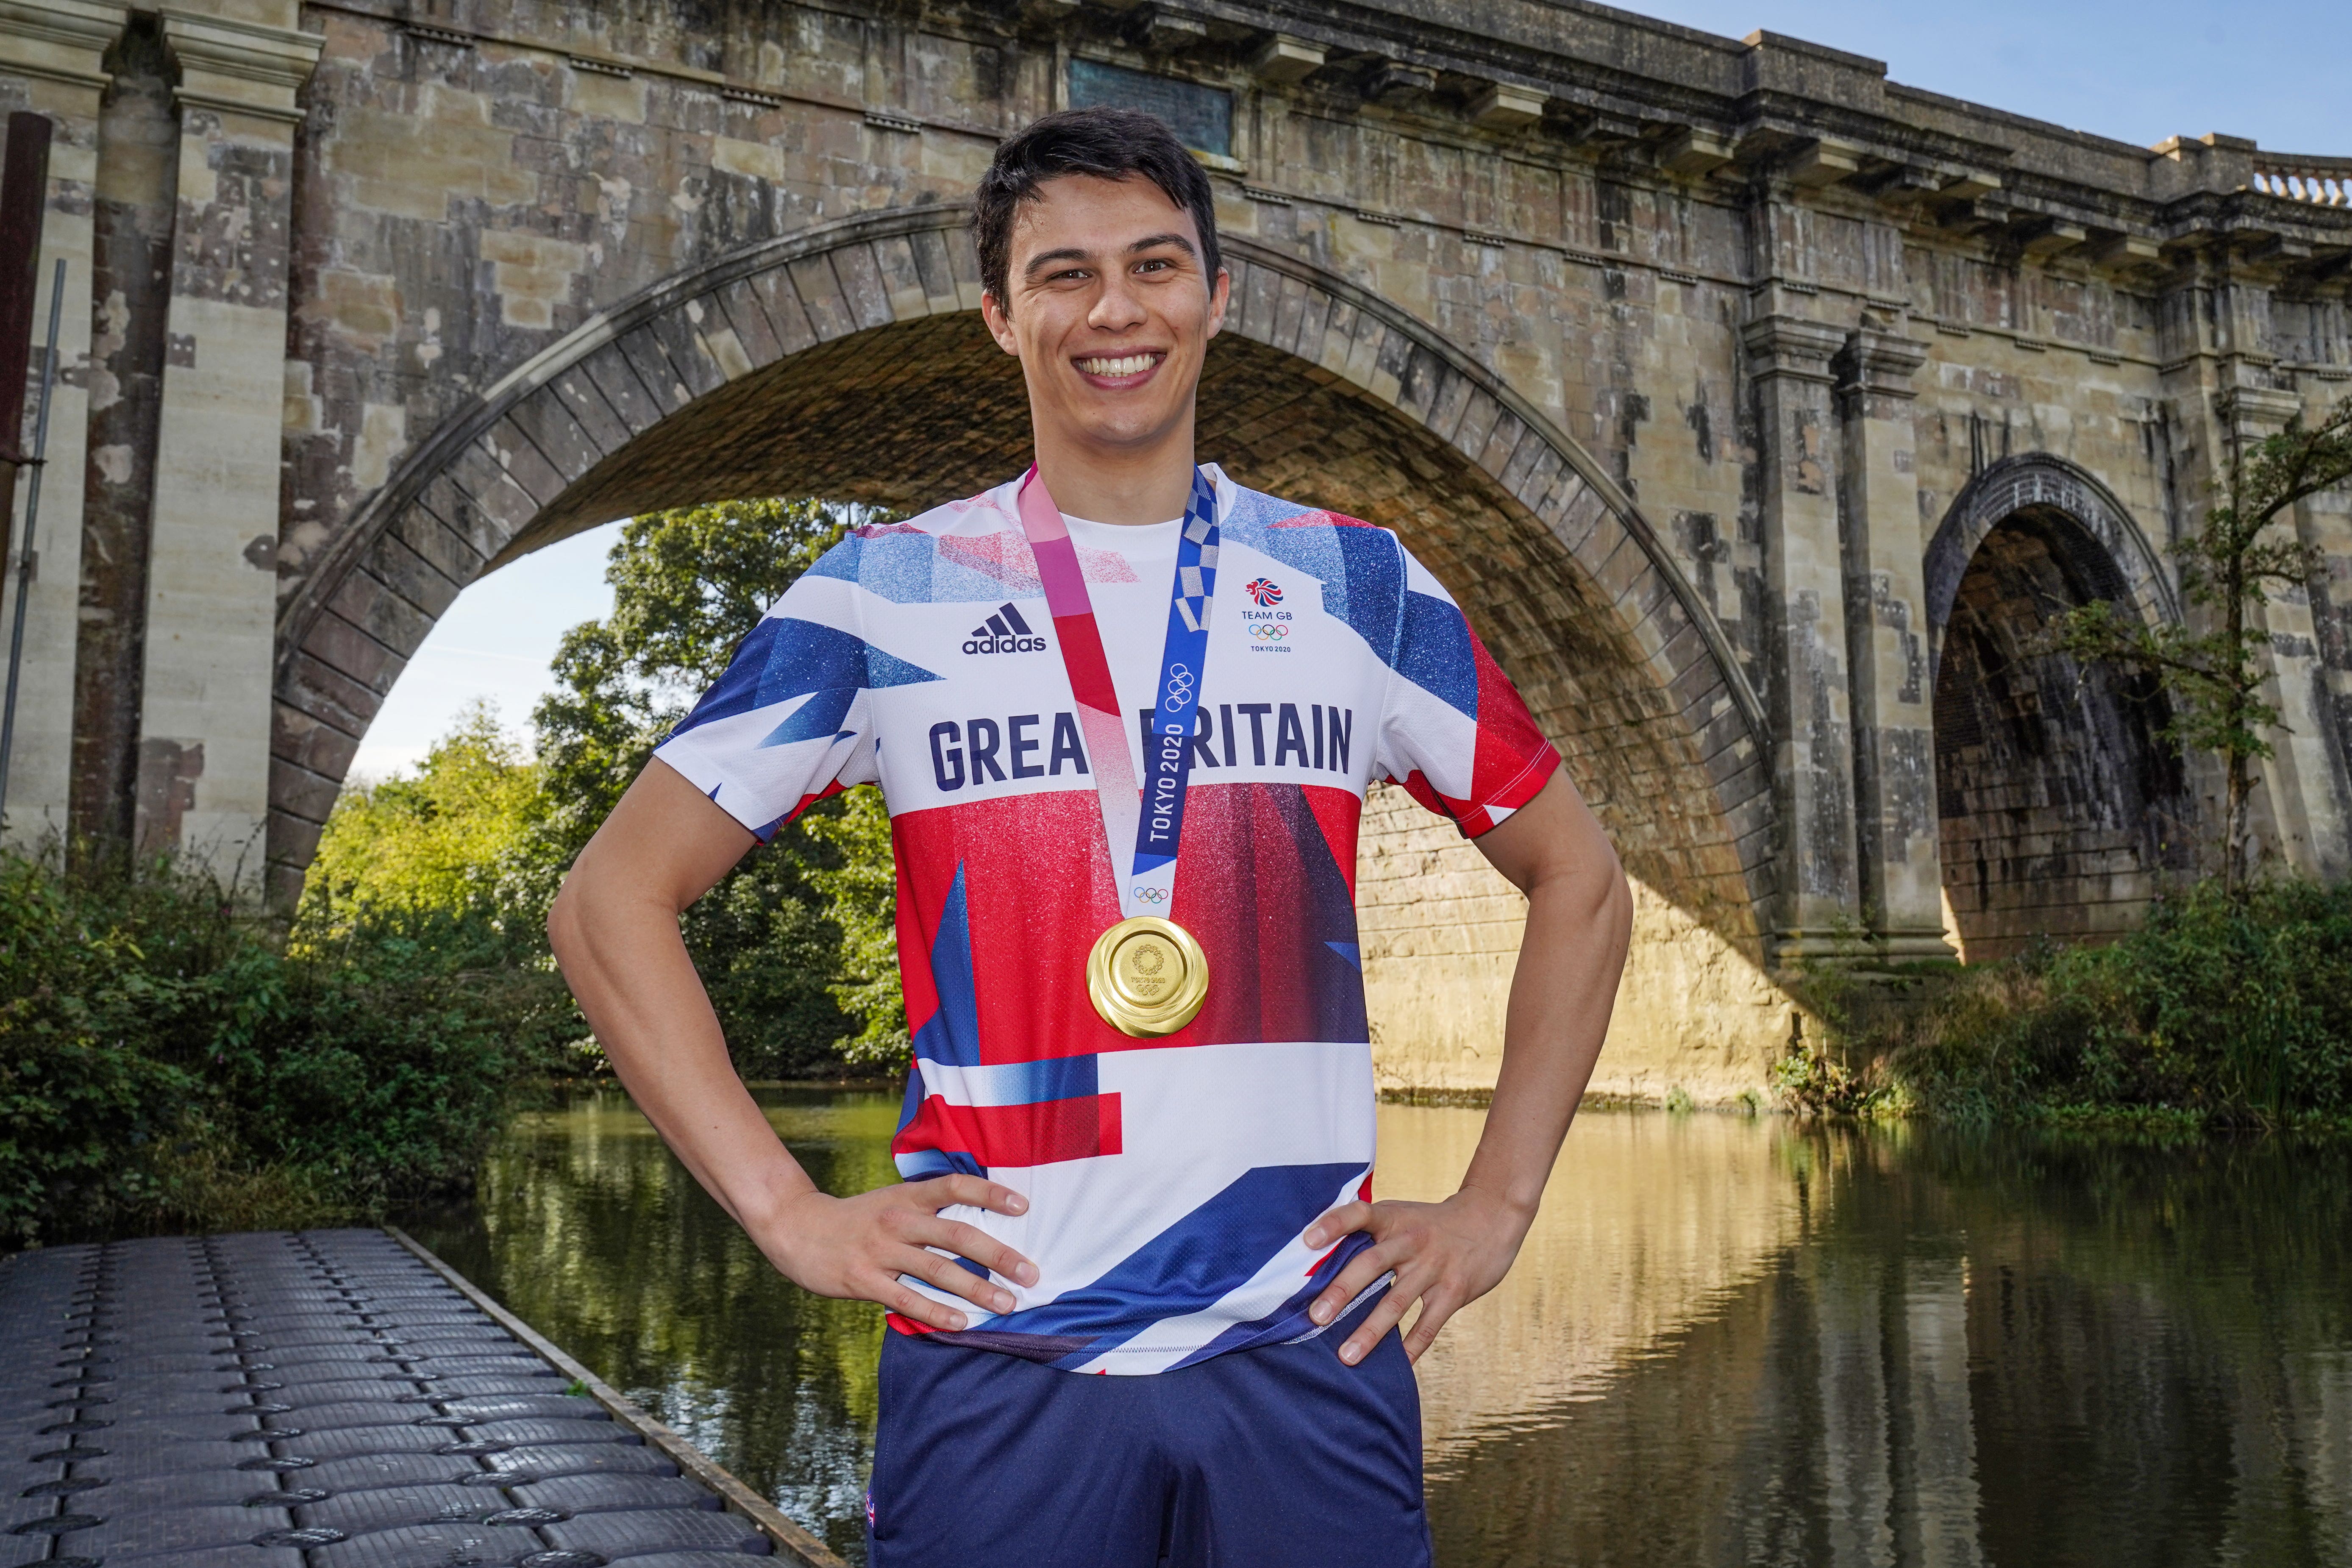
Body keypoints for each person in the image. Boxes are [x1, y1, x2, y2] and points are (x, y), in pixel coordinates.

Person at [548, 105, 1633, 1568]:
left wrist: (1499, 1201)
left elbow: (1582, 875)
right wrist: (791, 1215)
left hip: (1308, 1344)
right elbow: (611, 899)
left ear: (1215, 298)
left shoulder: (1358, 584)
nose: (1114, 311)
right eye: (1063, 275)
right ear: (1000, 316)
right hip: (1001, 1359)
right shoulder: (884, 591)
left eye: (1155, 265)